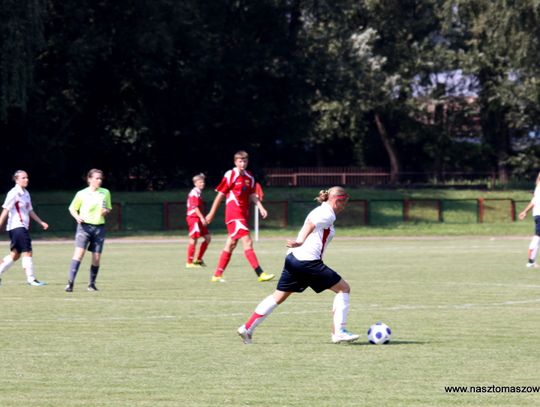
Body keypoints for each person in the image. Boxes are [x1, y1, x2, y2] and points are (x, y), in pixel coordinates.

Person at [237, 186, 360, 344]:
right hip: (308, 262)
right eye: (345, 202)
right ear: (337, 200)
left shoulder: (321, 210)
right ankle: (339, 332)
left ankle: (247, 328)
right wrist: (300, 241)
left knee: (278, 297)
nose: (345, 206)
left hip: (294, 260)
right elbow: (310, 224)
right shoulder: (327, 214)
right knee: (344, 289)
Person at [205, 150, 274, 283]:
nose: (242, 164)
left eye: (245, 161)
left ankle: (217, 274)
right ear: (235, 162)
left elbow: (252, 194)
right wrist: (211, 213)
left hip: (243, 214)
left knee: (231, 244)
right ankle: (260, 273)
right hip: (233, 213)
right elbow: (220, 195)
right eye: (240, 161)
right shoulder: (231, 175)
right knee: (247, 241)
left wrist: (261, 207)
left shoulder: (249, 177)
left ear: (247, 162)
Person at [65, 169, 112, 292]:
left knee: (96, 258)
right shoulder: (81, 193)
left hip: (99, 228)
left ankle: (91, 284)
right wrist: (77, 217)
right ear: (89, 179)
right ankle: (70, 283)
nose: (99, 180)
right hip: (84, 227)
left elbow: (108, 208)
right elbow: (72, 208)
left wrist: (105, 211)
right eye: (96, 178)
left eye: (101, 178)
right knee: (79, 254)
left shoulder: (105, 192)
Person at [0, 170, 49, 287]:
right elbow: (6, 209)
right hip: (17, 226)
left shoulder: (26, 193)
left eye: (27, 177)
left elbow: (30, 211)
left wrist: (41, 222)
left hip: (20, 228)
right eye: (23, 178)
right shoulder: (13, 193)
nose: (26, 179)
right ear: (16, 180)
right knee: (27, 251)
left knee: (15, 254)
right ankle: (31, 279)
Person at [186, 173, 211, 268]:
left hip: (198, 218)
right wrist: (201, 217)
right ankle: (189, 262)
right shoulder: (194, 193)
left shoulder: (198, 193)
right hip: (194, 218)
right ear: (195, 183)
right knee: (193, 239)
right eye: (200, 182)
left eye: (203, 182)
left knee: (208, 238)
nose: (202, 184)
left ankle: (198, 259)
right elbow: (195, 207)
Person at [519, 171, 540, 268]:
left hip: (537, 215)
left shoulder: (538, 187)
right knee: (537, 237)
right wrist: (525, 211)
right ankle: (531, 261)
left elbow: (533, 202)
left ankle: (531, 261)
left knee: (538, 236)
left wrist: (525, 211)